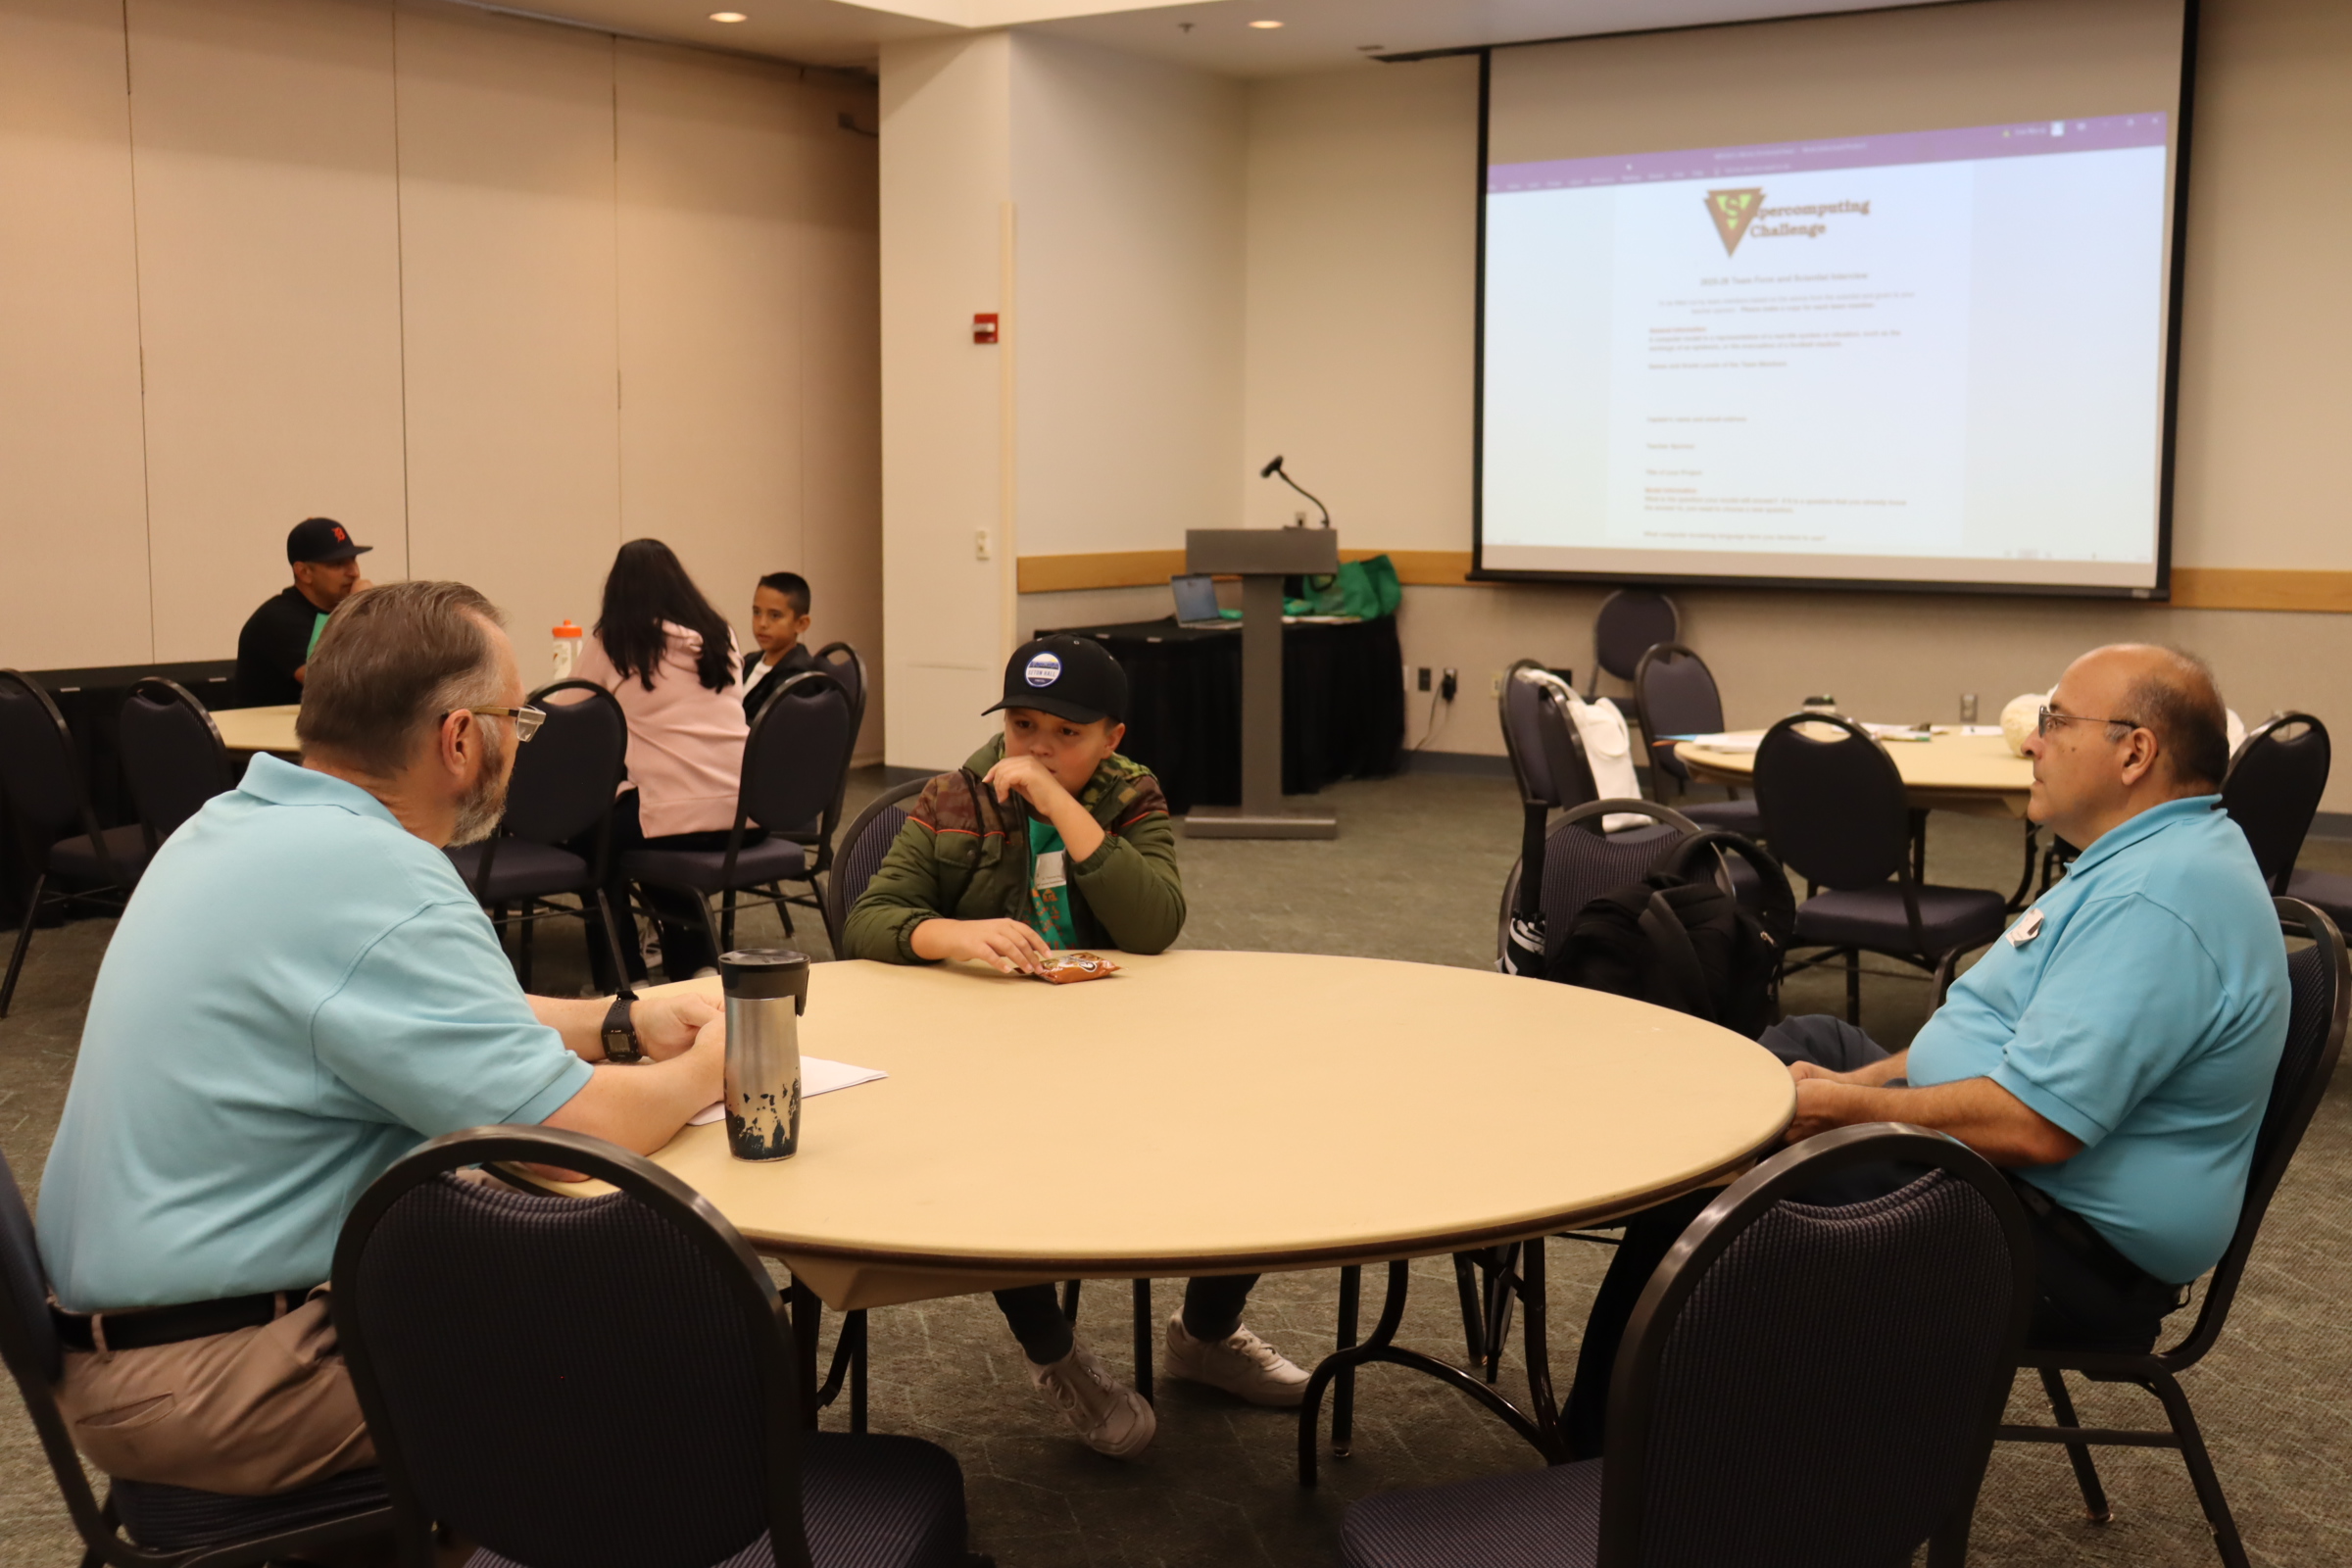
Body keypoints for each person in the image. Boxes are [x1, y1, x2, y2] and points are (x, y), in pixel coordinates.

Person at [38, 580, 724, 1495]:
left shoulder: (236, 825)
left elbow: (410, 1011)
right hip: (222, 1380)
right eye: (516, 719)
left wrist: (619, 1022)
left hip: (141, 1343)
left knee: (538, 1269)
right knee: (648, 1341)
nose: (518, 742)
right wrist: (717, 1064)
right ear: (460, 739)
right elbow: (570, 1141)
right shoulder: (380, 877)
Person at [1560, 644, 2291, 1455]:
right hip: (2017, 1187)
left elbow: (2036, 1126)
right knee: (1795, 1050)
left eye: (2055, 722)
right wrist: (1864, 1081)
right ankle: (1603, 1169)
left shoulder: (2160, 899)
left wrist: (1848, 1110)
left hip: (2057, 1246)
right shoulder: (2149, 856)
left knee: (1719, 1186)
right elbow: (1996, 1039)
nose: (2033, 741)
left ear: (2135, 753)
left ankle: (1600, 1467)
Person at [844, 634, 1308, 1457]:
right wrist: (951, 934)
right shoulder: (955, 797)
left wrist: (1062, 805)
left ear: (1111, 737)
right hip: (988, 1053)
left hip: (1119, 1043)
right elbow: (868, 920)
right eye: (1023, 727)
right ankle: (1055, 1354)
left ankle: (1205, 1336)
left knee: (1259, 1115)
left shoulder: (1132, 794)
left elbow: (1154, 923)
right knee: (992, 1165)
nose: (1038, 750)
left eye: (1067, 734)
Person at [564, 539, 755, 985]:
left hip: (673, 811)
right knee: (642, 842)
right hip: (745, 812)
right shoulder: (721, 635)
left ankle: (623, 979)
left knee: (591, 843)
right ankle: (697, 964)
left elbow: (567, 709)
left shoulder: (615, 641)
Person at [231, 516, 373, 707]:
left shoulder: (337, 612)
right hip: (268, 725)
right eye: (338, 564)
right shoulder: (278, 619)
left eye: (353, 560)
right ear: (304, 572)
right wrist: (358, 608)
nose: (354, 572)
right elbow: (328, 682)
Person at [743, 570, 817, 716]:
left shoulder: (798, 681)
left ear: (801, 624)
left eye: (775, 615)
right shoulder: (748, 661)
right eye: (757, 612)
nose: (762, 623)